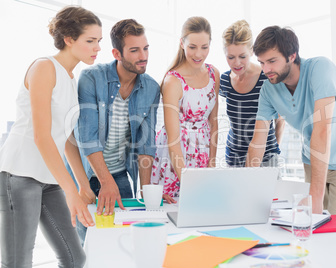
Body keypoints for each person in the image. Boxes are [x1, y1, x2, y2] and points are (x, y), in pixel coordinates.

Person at [0, 6, 101, 267]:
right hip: (20, 174)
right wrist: (70, 191)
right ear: (69, 39)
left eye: (98, 41)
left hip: (49, 177)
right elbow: (42, 136)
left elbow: (66, 138)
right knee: (18, 260)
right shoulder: (44, 67)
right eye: (90, 41)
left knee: (74, 257)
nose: (96, 48)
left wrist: (82, 184)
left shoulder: (70, 77)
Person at [246, 26, 336, 215]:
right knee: (312, 227)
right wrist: (245, 187)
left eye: (272, 61)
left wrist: (315, 197)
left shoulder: (320, 68)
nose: (266, 70)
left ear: (292, 55)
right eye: (261, 63)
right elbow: (258, 141)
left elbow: (322, 129)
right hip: (313, 161)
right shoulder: (268, 89)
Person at [72, 19, 160, 242]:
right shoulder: (91, 78)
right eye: (134, 50)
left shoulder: (151, 87)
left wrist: (146, 193)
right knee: (87, 242)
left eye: (146, 48)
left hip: (120, 174)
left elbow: (146, 145)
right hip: (88, 173)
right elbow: (87, 137)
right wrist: (106, 182)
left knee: (124, 239)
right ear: (117, 53)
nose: (143, 55)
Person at [150, 16, 220, 203]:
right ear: (182, 43)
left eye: (204, 47)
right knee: (174, 211)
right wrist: (188, 183)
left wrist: (212, 164)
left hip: (203, 150)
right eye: (192, 47)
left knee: (203, 209)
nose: (199, 54)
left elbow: (213, 122)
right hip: (175, 156)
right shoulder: (173, 81)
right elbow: (173, 141)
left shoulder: (214, 74)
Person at [220, 20, 284, 168]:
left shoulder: (267, 79)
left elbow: (280, 120)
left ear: (251, 51)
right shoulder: (224, 80)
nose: (237, 63)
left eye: (242, 56)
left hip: (266, 157)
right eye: (231, 57)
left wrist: (273, 151)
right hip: (234, 158)